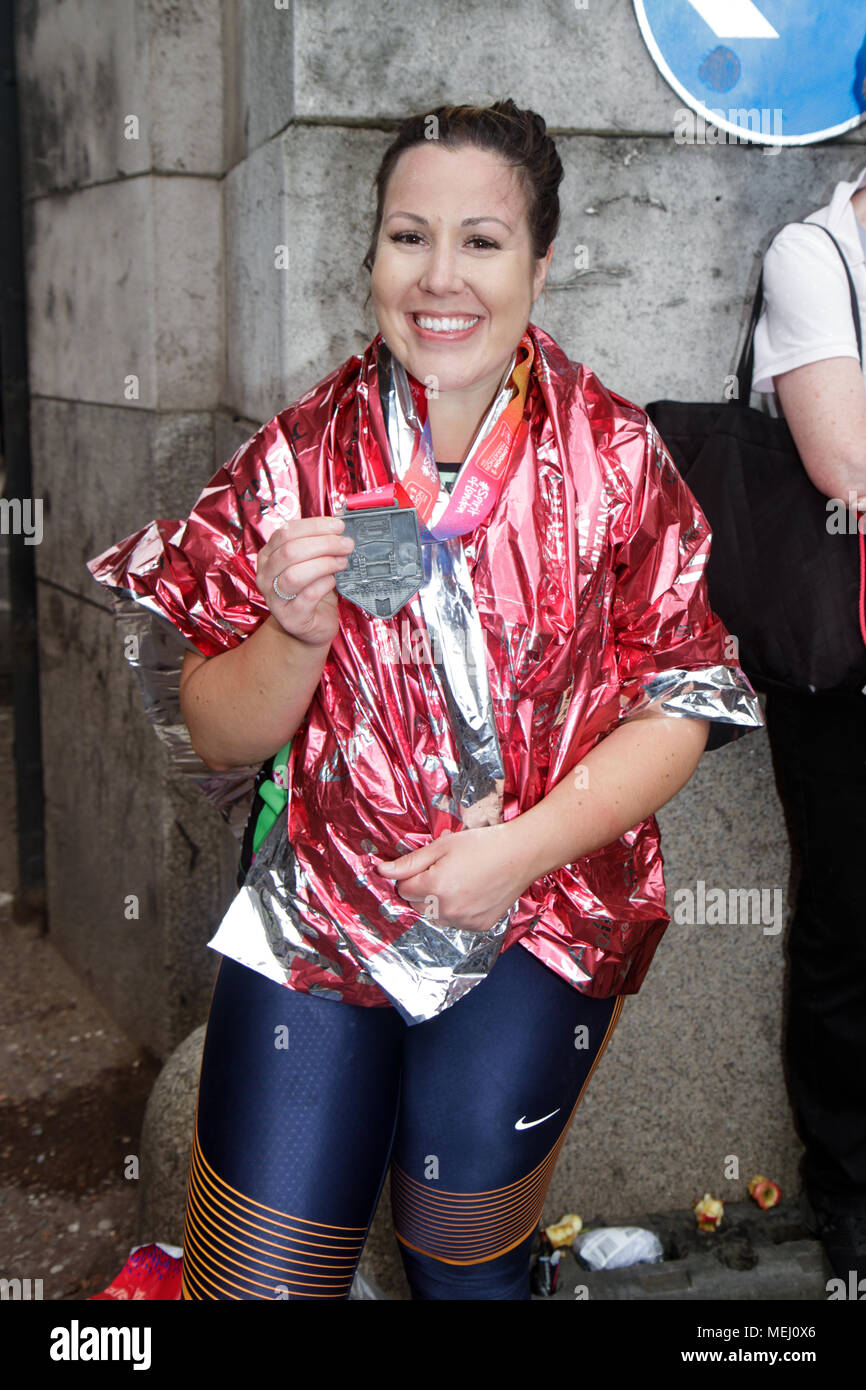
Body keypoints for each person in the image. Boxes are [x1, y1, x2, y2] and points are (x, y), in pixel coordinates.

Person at [87, 99, 762, 1300]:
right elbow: (212, 726)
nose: (438, 277)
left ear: (540, 263)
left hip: (539, 908)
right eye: (408, 237)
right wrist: (293, 639)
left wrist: (515, 853)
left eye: (480, 241)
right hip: (324, 909)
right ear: (370, 256)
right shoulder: (298, 456)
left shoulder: (612, 458)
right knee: (257, 1280)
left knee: (461, 1265)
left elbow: (682, 702)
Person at [751, 166, 866, 1282]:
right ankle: (846, 1189)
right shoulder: (814, 255)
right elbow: (845, 466)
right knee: (849, 926)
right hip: (846, 656)